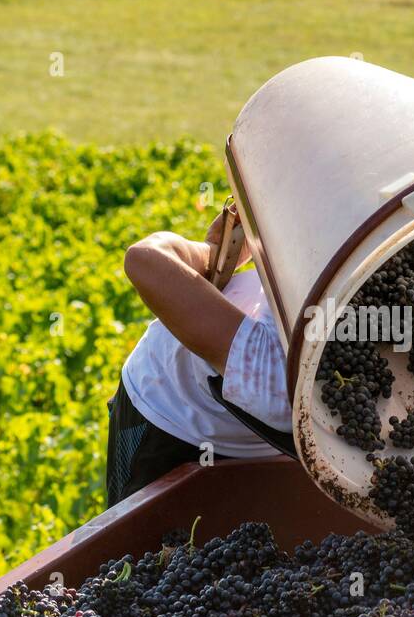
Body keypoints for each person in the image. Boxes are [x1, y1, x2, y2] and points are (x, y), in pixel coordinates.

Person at [106, 208, 292, 507]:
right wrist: (215, 254)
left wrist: (211, 252)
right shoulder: (275, 373)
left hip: (230, 425)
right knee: (144, 542)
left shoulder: (274, 375)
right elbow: (143, 260)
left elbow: (145, 257)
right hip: (163, 420)